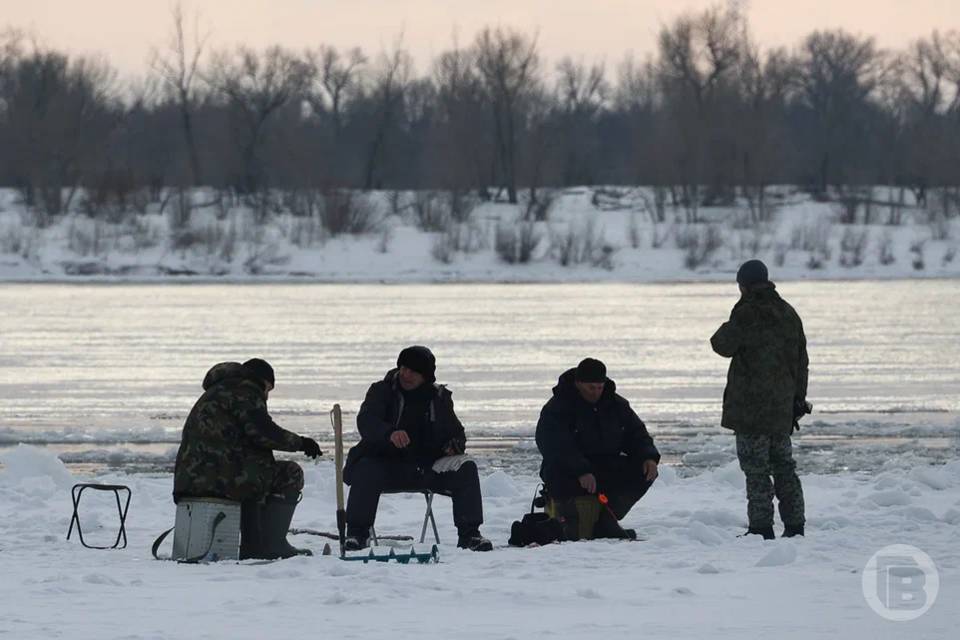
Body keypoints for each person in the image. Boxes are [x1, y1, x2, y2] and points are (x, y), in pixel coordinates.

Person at [342, 346, 492, 552]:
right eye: (403, 368)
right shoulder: (381, 391)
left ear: (425, 376)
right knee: (366, 468)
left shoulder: (439, 398)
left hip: (427, 468)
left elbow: (457, 433)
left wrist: (454, 445)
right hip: (385, 464)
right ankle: (357, 535)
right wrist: (389, 433)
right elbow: (366, 421)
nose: (406, 374)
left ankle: (470, 535)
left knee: (466, 467)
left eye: (413, 371)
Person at [173, 358, 323, 559]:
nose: (267, 395)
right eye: (268, 389)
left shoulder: (218, 391)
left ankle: (254, 541)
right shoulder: (246, 390)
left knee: (255, 469)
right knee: (288, 473)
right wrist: (301, 443)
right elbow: (262, 432)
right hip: (218, 476)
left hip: (192, 477)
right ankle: (268, 544)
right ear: (263, 381)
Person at [711, 260, 808, 540]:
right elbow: (802, 361)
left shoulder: (746, 312)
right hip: (781, 410)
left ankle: (761, 529)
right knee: (785, 469)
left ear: (742, 285)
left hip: (751, 411)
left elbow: (721, 345)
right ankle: (795, 526)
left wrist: (731, 319)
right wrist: (798, 400)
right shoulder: (788, 312)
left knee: (756, 471)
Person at [535, 358, 660, 541]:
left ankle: (606, 517)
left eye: (600, 387)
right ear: (578, 384)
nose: (596, 392)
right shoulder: (557, 408)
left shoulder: (617, 405)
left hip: (606, 466)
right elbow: (555, 446)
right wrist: (581, 470)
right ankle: (582, 520)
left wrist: (648, 457)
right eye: (591, 388)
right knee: (562, 481)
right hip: (567, 471)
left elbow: (637, 434)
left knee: (643, 471)